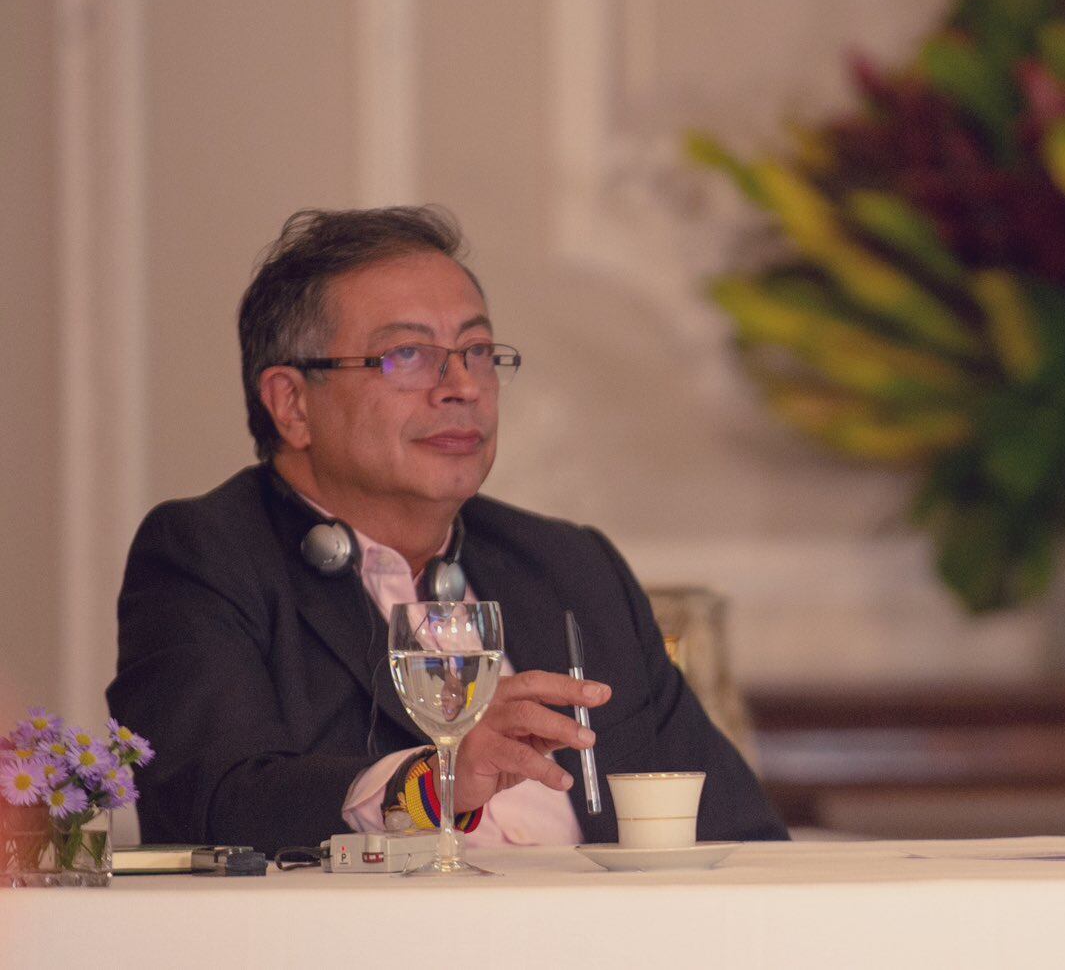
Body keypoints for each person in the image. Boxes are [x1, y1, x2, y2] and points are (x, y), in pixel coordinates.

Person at [108, 207, 786, 854]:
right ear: (292, 404)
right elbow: (209, 806)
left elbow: (738, 834)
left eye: (477, 350)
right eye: (406, 354)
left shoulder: (570, 566)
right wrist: (434, 783)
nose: (461, 385)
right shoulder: (209, 556)